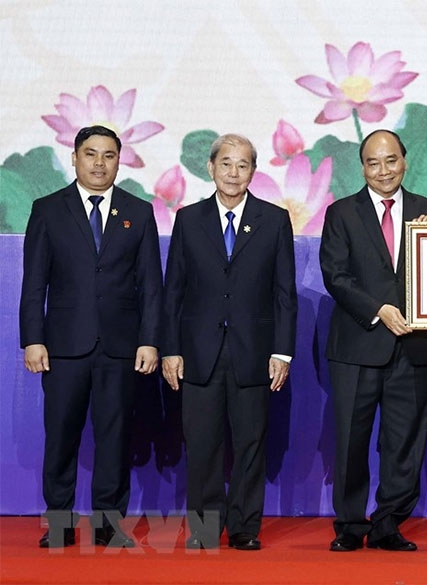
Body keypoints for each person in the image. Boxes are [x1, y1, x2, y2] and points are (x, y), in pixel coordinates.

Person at [19, 125, 162, 548]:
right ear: (75, 157)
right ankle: (60, 523)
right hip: (62, 346)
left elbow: (151, 284)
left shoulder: (140, 210)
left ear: (120, 160)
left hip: (121, 347)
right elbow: (34, 284)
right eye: (91, 154)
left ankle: (108, 524)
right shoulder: (47, 209)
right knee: (61, 435)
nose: (100, 164)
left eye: (109, 156)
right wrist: (33, 338)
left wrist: (149, 340)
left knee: (115, 437)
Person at [161, 133, 297, 551]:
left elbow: (284, 293)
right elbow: (174, 291)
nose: (233, 173)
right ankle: (203, 528)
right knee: (201, 444)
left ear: (253, 171)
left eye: (242, 165)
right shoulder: (188, 218)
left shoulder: (274, 219)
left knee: (250, 444)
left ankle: (243, 528)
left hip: (254, 353)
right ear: (211, 168)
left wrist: (281, 350)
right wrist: (170, 348)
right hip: (198, 352)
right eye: (226, 164)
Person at [320, 129, 427, 552]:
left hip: (414, 348)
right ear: (362, 167)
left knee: (404, 443)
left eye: (391, 160)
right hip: (358, 345)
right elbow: (336, 276)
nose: (383, 170)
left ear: (405, 162)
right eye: (373, 163)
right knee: (351, 442)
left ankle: (389, 524)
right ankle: (350, 526)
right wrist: (378, 310)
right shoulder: (341, 212)